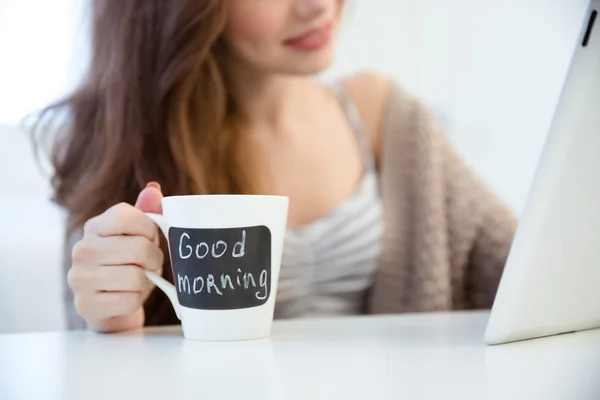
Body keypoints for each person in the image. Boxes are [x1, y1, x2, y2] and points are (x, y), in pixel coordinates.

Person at [32, 0, 518, 333]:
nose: (316, 5)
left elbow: (523, 268)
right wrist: (113, 327)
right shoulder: (120, 143)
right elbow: (94, 354)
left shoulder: (383, 116)